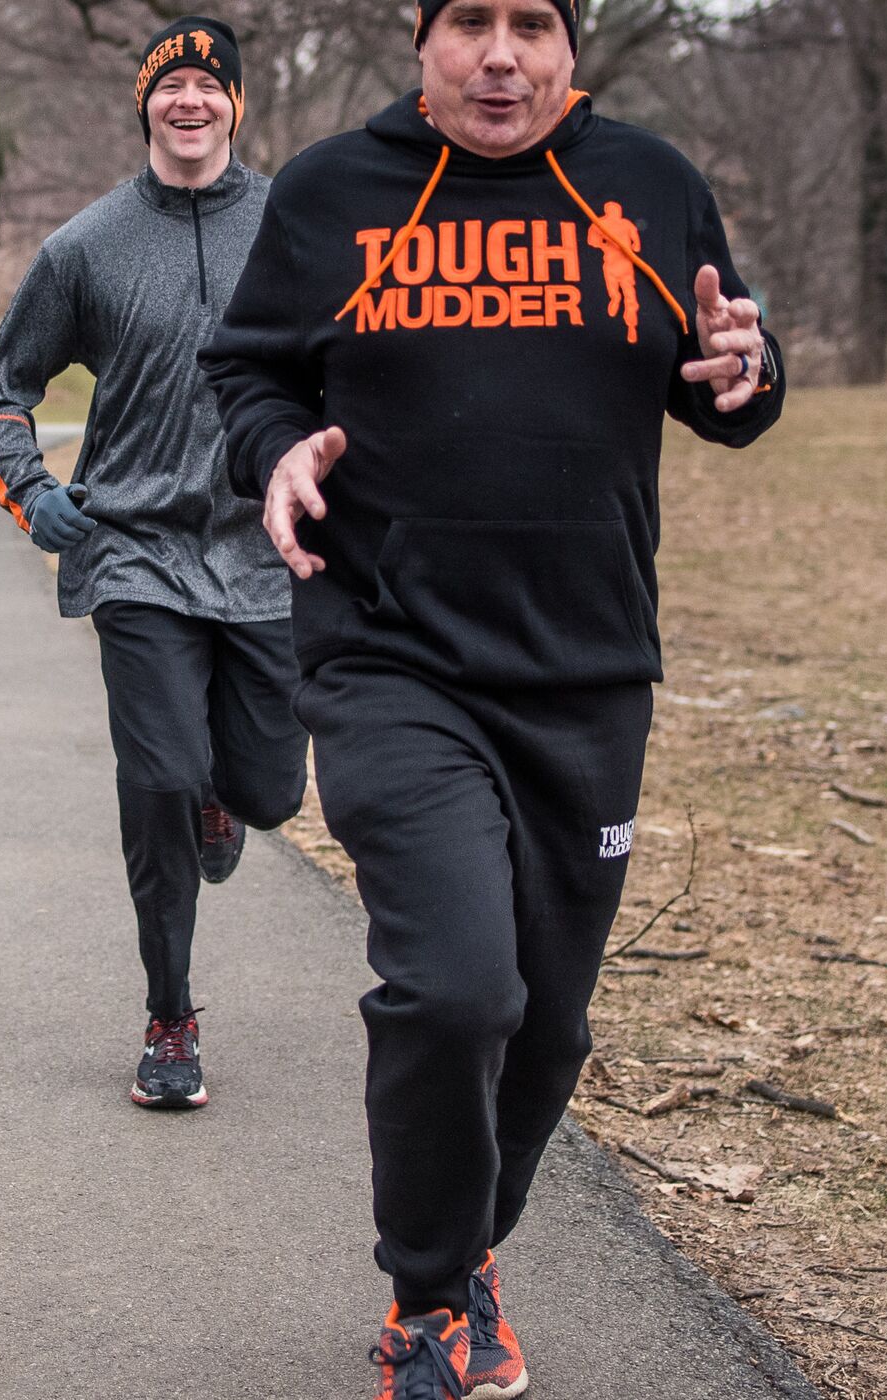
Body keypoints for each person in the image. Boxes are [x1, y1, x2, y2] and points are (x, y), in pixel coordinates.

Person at [199, 2, 784, 1395]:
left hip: (588, 671)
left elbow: (731, 383)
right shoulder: (338, 191)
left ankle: (469, 1254)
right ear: (425, 38)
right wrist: (276, 453)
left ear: (571, 45)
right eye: (472, 22)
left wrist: (750, 374)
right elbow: (248, 374)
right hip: (390, 654)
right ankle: (428, 1297)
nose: (502, 54)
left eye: (533, 23)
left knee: (549, 1022)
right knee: (456, 990)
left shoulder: (645, 183)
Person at [0, 15, 302, 1111]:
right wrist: (32, 489)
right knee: (154, 780)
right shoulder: (86, 246)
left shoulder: (296, 228)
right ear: (145, 106)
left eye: (210, 85)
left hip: (264, 553)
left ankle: (222, 794)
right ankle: (169, 1013)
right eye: (171, 85)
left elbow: (361, 360)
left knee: (267, 787)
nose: (190, 101)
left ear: (235, 106)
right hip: (137, 553)